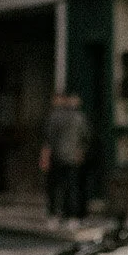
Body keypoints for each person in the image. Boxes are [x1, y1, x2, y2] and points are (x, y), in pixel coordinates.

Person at [40, 87, 91, 226]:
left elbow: (48, 139)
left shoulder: (55, 117)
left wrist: (45, 157)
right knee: (72, 187)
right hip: (73, 157)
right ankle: (72, 216)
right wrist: (81, 151)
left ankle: (55, 215)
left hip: (58, 156)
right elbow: (86, 137)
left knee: (56, 188)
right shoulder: (79, 117)